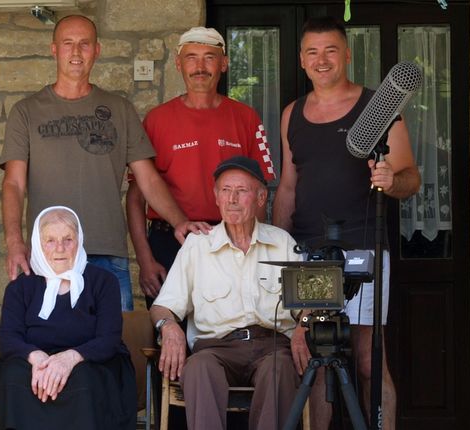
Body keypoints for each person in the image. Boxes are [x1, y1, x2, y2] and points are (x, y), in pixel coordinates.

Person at [272, 16, 422, 430]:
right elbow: (287, 187)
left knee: (369, 359)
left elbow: (411, 178)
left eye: (331, 50)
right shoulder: (292, 115)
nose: (322, 61)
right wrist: (278, 246)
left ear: (347, 55)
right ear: (302, 60)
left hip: (363, 247)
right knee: (320, 359)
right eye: (313, 53)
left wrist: (391, 180)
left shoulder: (379, 107)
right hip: (307, 252)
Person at [0, 15, 208, 311]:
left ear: (97, 50)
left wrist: (179, 221)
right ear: (54, 49)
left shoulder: (119, 109)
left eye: (84, 44)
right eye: (67, 44)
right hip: (49, 256)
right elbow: (13, 183)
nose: (75, 53)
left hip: (106, 255)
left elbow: (147, 179)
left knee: (112, 351)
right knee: (49, 348)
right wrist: (14, 242)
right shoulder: (26, 112)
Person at [150, 156, 307, 430]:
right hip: (215, 348)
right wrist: (169, 326)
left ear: (260, 198)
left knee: (279, 370)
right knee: (198, 368)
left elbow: (309, 304)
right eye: (225, 190)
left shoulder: (282, 243)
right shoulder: (197, 245)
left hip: (272, 346)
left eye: (241, 191)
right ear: (216, 197)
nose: (232, 199)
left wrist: (303, 328)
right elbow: (163, 307)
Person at [126, 26, 274, 308]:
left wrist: (254, 254)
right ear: (179, 64)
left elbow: (259, 196)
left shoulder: (246, 118)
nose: (200, 66)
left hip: (232, 239)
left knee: (229, 333)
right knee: (170, 335)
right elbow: (135, 198)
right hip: (170, 241)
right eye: (191, 57)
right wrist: (145, 260)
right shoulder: (156, 120)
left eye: (209, 57)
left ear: (224, 63)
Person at [0, 206, 136, 430]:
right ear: (38, 243)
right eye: (50, 240)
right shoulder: (21, 287)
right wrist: (37, 358)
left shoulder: (103, 282)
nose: (60, 248)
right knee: (13, 375)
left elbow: (109, 339)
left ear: (80, 241)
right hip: (35, 363)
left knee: (83, 378)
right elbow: (8, 339)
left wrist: (70, 358)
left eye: (68, 239)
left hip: (89, 362)